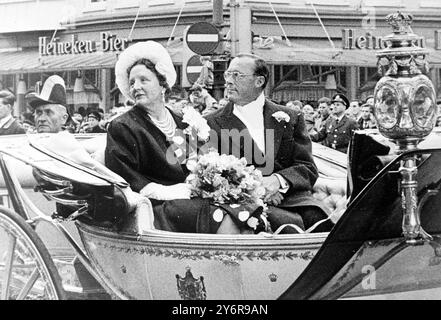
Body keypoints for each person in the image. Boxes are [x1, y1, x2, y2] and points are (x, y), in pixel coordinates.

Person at [105, 41, 226, 234]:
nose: (136, 87)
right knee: (221, 214)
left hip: (192, 199)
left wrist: (206, 183)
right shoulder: (123, 126)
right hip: (155, 208)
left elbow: (200, 161)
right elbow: (125, 179)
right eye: (132, 83)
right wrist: (174, 191)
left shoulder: (183, 120)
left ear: (162, 84)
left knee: (240, 209)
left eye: (144, 80)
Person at [205, 53, 332, 233]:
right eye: (228, 75)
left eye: (237, 75)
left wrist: (278, 180)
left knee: (325, 227)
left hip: (293, 201)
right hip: (242, 204)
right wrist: (257, 187)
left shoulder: (290, 117)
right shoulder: (210, 122)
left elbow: (307, 167)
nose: (229, 81)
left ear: (259, 82)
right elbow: (212, 174)